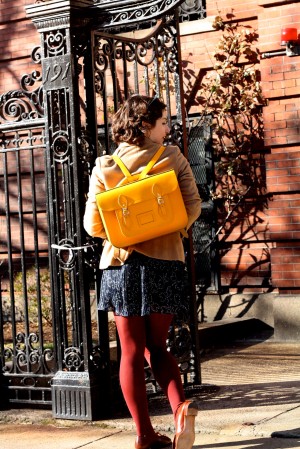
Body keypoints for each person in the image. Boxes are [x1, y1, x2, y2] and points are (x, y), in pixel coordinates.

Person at [84, 94, 202, 449]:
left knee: (131, 350)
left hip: (122, 266)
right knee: (158, 345)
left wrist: (128, 231)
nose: (168, 128)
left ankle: (144, 435)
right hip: (165, 263)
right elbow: (193, 207)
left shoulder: (104, 166)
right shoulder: (173, 158)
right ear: (145, 125)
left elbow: (92, 225)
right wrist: (167, 229)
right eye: (164, 122)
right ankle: (180, 409)